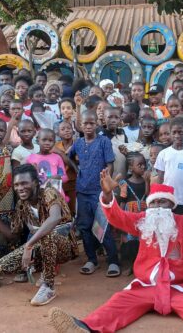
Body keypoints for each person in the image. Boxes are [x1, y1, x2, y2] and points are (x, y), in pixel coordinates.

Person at [48, 178, 183, 333]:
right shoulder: (143, 220)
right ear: (148, 206)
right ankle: (85, 327)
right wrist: (108, 195)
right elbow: (118, 217)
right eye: (154, 202)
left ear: (172, 205)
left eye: (163, 202)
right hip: (145, 286)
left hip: (180, 287)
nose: (158, 206)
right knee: (117, 303)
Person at [0, 164, 77, 306]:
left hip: (65, 246)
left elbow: (55, 218)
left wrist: (29, 245)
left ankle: (49, 286)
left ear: (35, 182)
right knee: (2, 265)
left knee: (47, 235)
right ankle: (45, 268)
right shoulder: (22, 204)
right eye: (17, 184)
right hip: (41, 248)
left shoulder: (49, 193)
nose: (20, 187)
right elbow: (13, 235)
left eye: (24, 183)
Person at [68, 110, 120, 277]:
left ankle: (113, 261)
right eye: (85, 124)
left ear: (97, 124)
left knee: (102, 226)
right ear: (80, 126)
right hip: (82, 191)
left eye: (91, 123)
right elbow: (69, 157)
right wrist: (77, 169)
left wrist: (106, 182)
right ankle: (92, 260)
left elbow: (109, 163)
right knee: (85, 227)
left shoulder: (103, 141)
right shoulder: (78, 143)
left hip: (99, 191)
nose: (89, 126)